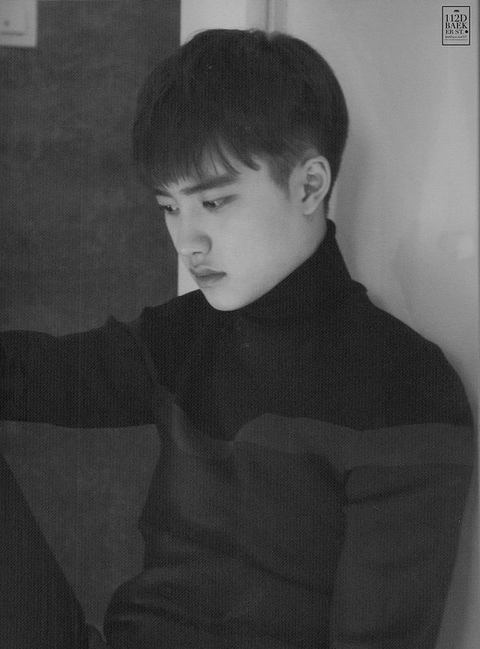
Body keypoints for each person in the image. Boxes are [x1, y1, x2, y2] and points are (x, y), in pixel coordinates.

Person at [0, 28, 474, 649]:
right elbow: (34, 376)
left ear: (309, 186)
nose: (187, 241)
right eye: (171, 207)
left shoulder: (406, 387)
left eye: (215, 202)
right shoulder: (185, 333)